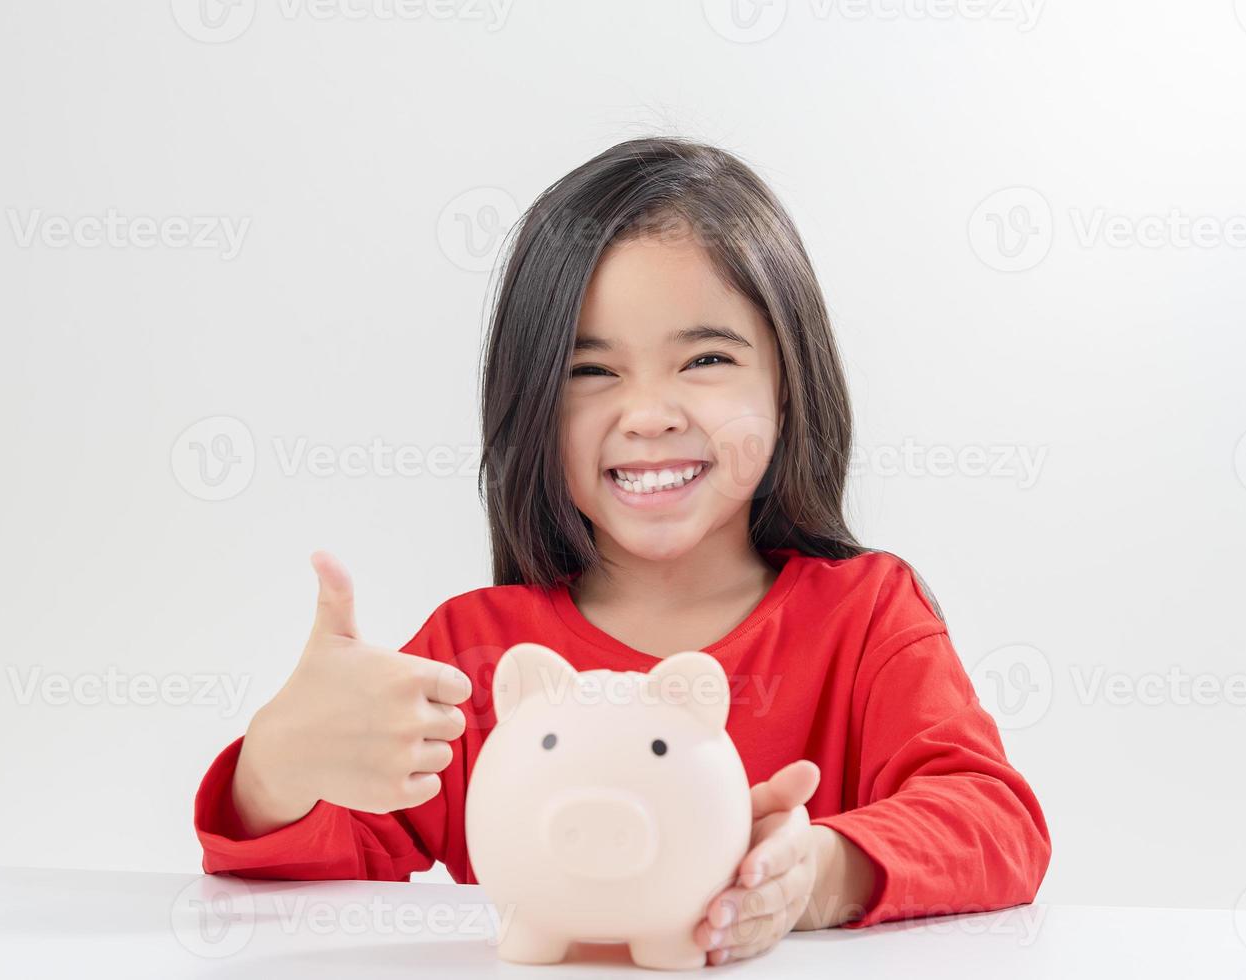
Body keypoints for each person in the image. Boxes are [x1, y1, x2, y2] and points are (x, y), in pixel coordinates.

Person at [193, 136, 1051, 967]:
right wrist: (277, 760)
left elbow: (996, 822)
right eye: (591, 371)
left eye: (706, 358)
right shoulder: (470, 656)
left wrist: (819, 876)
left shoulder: (866, 617)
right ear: (529, 405)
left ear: (788, 389)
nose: (648, 414)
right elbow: (306, 878)